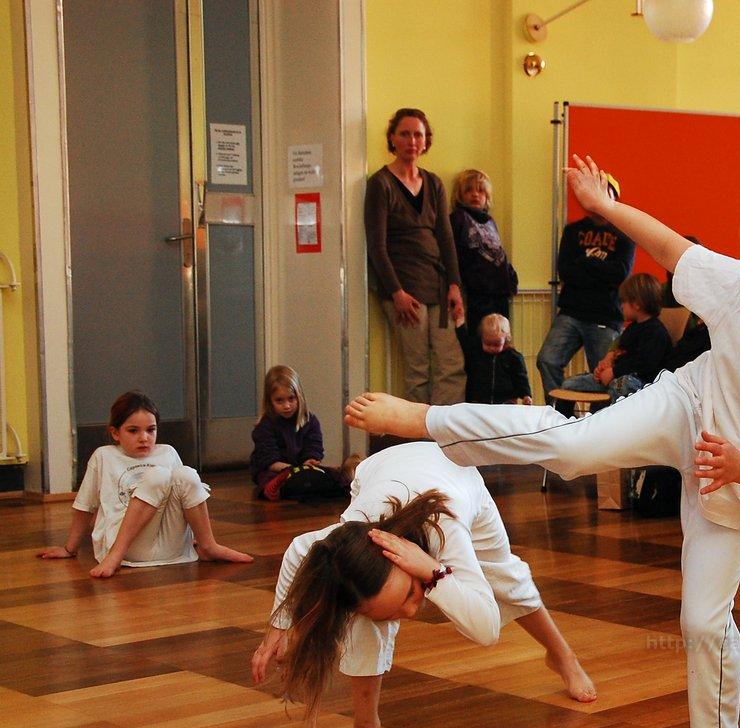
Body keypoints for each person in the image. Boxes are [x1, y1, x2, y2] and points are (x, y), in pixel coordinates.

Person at [344, 154, 740, 728]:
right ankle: (428, 418)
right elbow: (672, 248)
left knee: (704, 623)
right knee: (572, 446)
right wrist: (603, 206)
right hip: (688, 405)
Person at [251, 442, 595, 728]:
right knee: (361, 611)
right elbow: (298, 550)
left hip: (457, 475)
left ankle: (562, 656)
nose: (413, 612)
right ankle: (366, 726)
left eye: (409, 594)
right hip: (378, 473)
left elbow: (487, 629)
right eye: (396, 612)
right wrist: (279, 626)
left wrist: (435, 573)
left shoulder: (447, 528)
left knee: (506, 580)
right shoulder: (352, 533)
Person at [39, 391, 253, 578]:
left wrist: (195, 537)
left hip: (172, 548)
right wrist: (70, 549)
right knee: (157, 476)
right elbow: (85, 507)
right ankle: (114, 556)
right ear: (115, 433)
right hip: (127, 547)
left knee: (186, 475)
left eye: (151, 430)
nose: (144, 438)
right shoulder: (104, 456)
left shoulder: (168, 452)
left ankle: (208, 546)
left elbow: (185, 499)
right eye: (133, 431)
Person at [364, 108, 465, 405]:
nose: (412, 141)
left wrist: (455, 285)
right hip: (405, 291)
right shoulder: (380, 183)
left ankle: (444, 428)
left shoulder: (434, 183)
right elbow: (377, 246)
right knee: (418, 370)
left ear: (426, 141)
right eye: (405, 134)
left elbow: (446, 238)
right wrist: (396, 292)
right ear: (392, 138)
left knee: (452, 365)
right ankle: (417, 431)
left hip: (439, 287)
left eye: (418, 135)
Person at [536, 173, 636, 401]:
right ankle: (560, 411)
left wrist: (585, 263)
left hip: (606, 315)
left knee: (602, 375)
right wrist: (600, 272)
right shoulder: (573, 231)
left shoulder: (625, 234)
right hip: (571, 311)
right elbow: (565, 271)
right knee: (547, 359)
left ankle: (599, 419)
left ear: (614, 197)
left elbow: (620, 274)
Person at [556, 272, 673, 415]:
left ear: (637, 304)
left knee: (621, 386)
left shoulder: (655, 332)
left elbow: (645, 363)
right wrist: (605, 368)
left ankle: (599, 419)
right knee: (568, 385)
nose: (621, 306)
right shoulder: (632, 328)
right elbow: (619, 353)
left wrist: (614, 372)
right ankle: (566, 421)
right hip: (615, 377)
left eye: (624, 302)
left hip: (640, 383)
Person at [251, 365, 359, 501]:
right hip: (276, 470)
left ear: (299, 396)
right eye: (279, 400)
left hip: (302, 468)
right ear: (269, 401)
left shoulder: (310, 421)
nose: (287, 406)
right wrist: (293, 469)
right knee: (268, 478)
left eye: (291, 399)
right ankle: (279, 487)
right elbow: (269, 461)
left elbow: (314, 447)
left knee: (329, 474)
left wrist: (311, 460)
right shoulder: (265, 426)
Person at [449, 169, 518, 336]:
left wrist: (511, 277)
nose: (475, 194)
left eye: (480, 191)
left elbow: (498, 250)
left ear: (487, 197)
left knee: (501, 336)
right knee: (480, 337)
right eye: (469, 190)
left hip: (499, 291)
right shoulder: (458, 218)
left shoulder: (490, 221)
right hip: (477, 292)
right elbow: (453, 253)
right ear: (460, 195)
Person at [456, 312, 532, 405]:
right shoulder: (477, 353)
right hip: (478, 401)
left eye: (496, 344)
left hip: (506, 402)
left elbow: (521, 378)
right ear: (482, 338)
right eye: (487, 343)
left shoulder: (513, 357)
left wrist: (526, 395)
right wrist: (460, 322)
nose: (491, 348)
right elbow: (465, 342)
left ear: (506, 339)